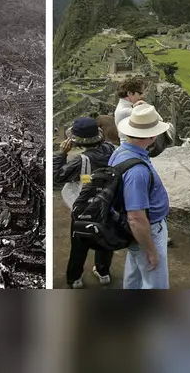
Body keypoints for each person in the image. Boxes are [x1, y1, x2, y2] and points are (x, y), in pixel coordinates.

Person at [111, 103, 173, 289]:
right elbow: (136, 218)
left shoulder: (121, 151)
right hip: (148, 230)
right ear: (152, 136)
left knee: (135, 274)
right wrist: (151, 250)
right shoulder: (137, 171)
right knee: (155, 282)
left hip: (136, 231)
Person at [54, 117, 118, 288]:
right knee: (105, 240)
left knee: (79, 244)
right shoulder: (112, 150)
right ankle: (103, 272)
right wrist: (87, 178)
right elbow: (101, 176)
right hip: (108, 203)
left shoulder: (81, 160)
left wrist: (62, 154)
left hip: (85, 207)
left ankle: (75, 278)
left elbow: (57, 177)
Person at [114, 78, 147, 143]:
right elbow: (159, 119)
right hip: (132, 146)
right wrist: (146, 107)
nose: (143, 96)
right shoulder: (126, 111)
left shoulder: (123, 107)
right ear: (129, 93)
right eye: (140, 93)